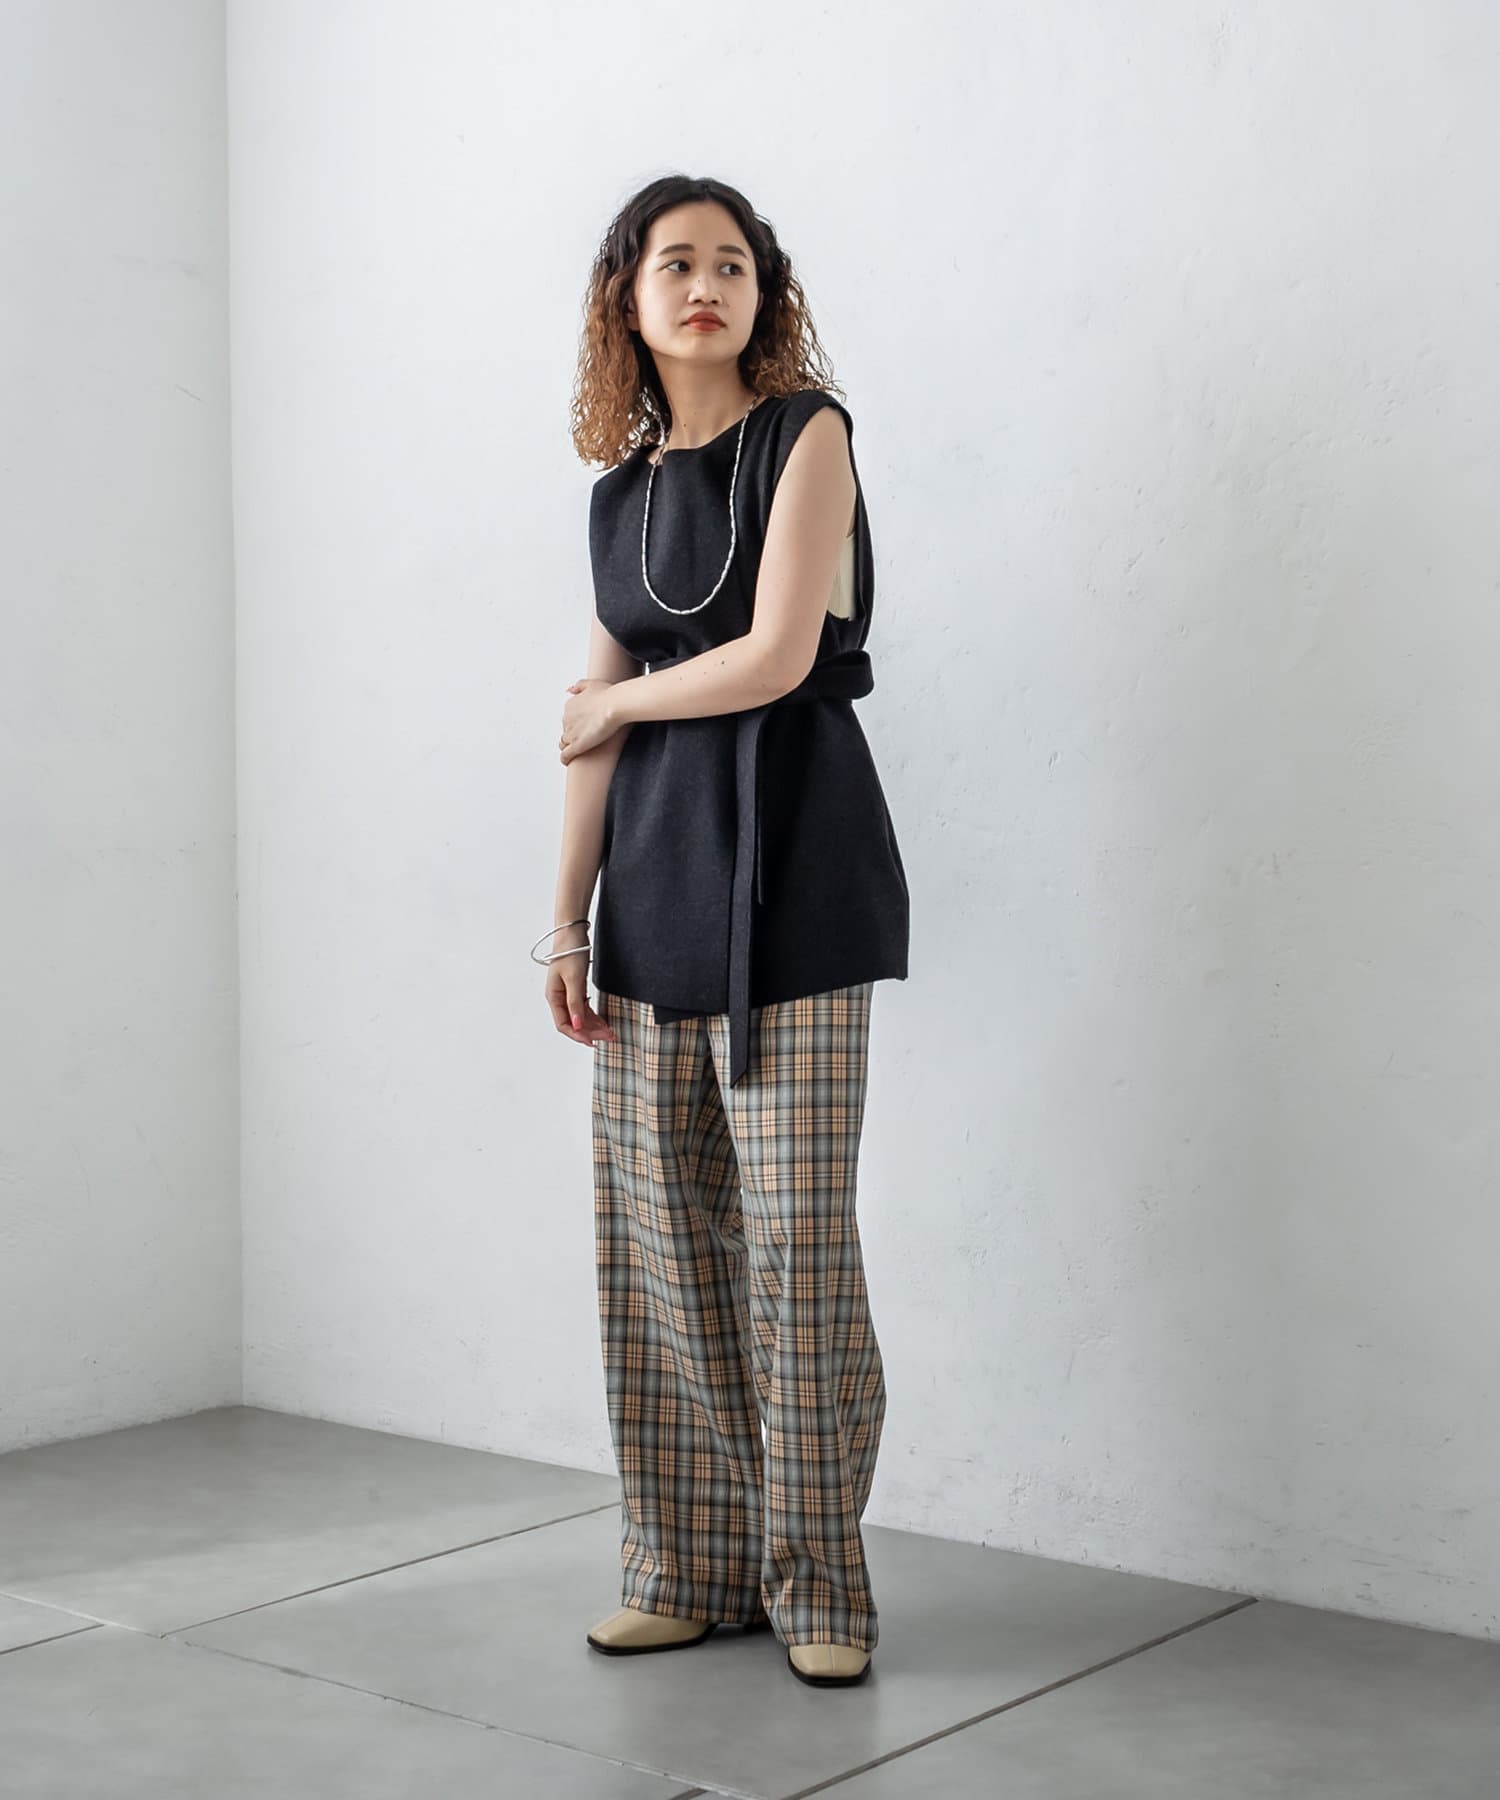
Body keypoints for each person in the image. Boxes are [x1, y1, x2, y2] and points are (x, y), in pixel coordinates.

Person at [536, 174, 910, 1690]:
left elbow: (774, 654)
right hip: (653, 887)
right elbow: (589, 732)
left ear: (766, 294)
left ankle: (818, 1582)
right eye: (676, 263)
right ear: (627, 300)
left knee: (796, 1248)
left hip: (797, 870)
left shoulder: (807, 432)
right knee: (660, 1246)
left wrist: (620, 698)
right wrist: (563, 925)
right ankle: (686, 1567)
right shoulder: (615, 502)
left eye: (734, 264)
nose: (707, 285)